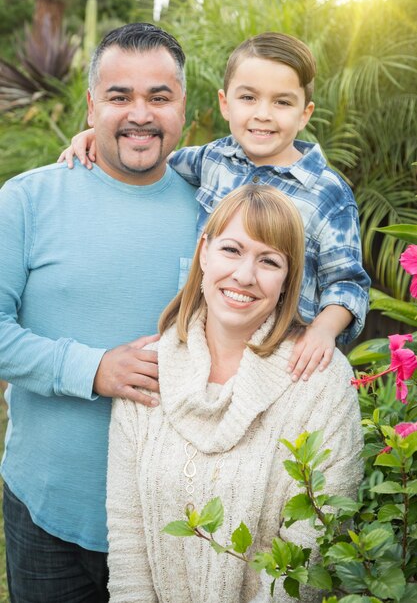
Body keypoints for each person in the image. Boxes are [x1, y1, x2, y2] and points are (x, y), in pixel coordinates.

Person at [0, 23, 199, 602]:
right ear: (92, 106)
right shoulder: (26, 201)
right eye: (120, 97)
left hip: (175, 519)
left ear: (183, 107)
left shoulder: (216, 210)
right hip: (48, 509)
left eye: (159, 97)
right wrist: (91, 369)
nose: (141, 114)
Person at [60, 31, 370, 383]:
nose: (263, 115)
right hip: (203, 354)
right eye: (248, 98)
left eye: (282, 103)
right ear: (226, 104)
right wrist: (97, 137)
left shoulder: (327, 193)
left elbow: (348, 283)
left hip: (281, 363)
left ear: (305, 113)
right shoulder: (213, 160)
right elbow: (150, 155)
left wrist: (324, 331)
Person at [106, 183, 364, 603]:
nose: (245, 275)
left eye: (269, 260)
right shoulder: (150, 368)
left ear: (288, 278)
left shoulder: (320, 380)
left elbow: (312, 548)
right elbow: (129, 541)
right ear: (203, 251)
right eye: (231, 250)